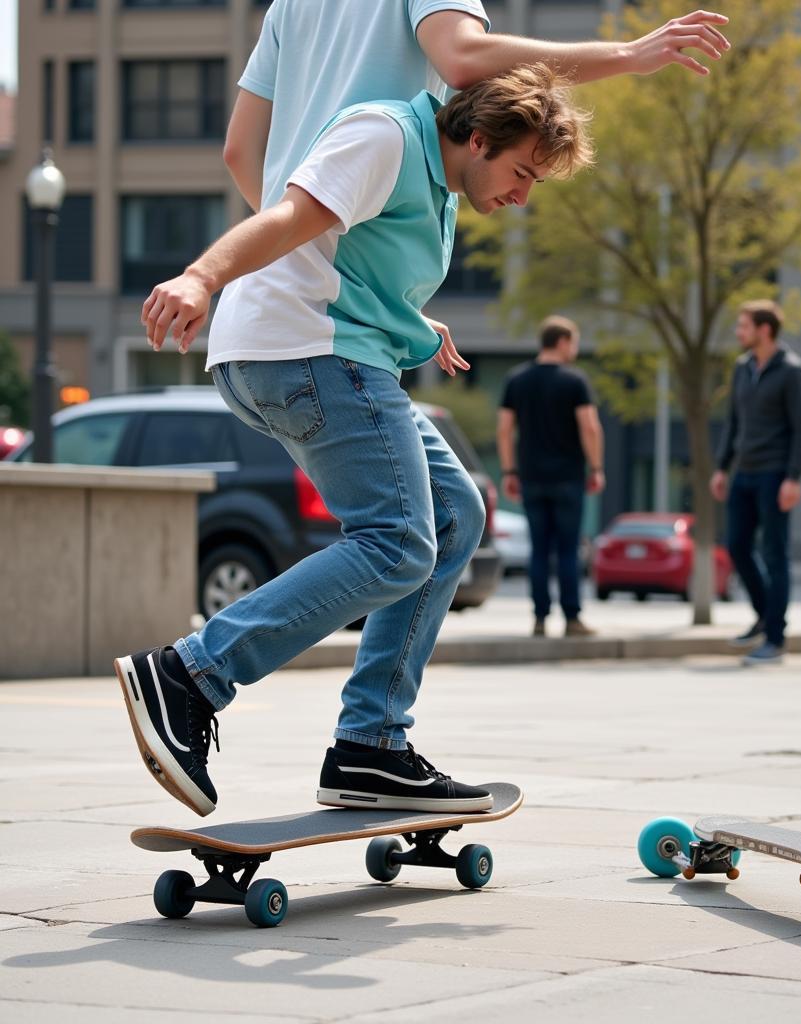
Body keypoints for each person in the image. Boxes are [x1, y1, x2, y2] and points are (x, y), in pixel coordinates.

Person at [114, 65, 594, 819]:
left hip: (323, 351)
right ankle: (191, 674)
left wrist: (413, 324)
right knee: (399, 541)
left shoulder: (435, 181)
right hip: (306, 354)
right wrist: (200, 278)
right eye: (521, 172)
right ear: (477, 137)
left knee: (453, 517)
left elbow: (350, 268)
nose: (522, 196)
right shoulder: (386, 136)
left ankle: (370, 745)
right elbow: (286, 217)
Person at [223, 1, 732, 216]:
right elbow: (461, 58)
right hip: (343, 328)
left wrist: (297, 247)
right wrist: (628, 55)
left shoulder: (288, 5)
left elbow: (240, 153)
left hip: (281, 306)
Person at [710, 301, 801, 666]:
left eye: (744, 326)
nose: (739, 333)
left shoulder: (791, 371)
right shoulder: (742, 369)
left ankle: (775, 638)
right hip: (744, 472)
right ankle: (763, 617)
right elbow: (733, 423)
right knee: (736, 546)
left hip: (774, 474)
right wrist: (722, 468)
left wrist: (793, 478)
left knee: (775, 554)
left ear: (764, 330)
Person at [497, 316, 605, 637]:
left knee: (539, 550)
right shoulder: (575, 381)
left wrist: (509, 471)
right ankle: (572, 618)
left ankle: (540, 618)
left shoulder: (517, 380)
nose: (574, 348)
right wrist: (596, 467)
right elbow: (589, 426)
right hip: (569, 477)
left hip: (531, 477)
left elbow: (504, 430)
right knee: (568, 549)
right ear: (561, 342)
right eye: (573, 341)